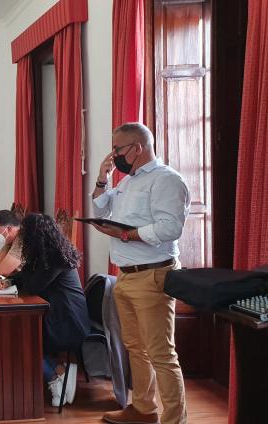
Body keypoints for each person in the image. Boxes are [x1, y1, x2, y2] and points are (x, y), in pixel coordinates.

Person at [90, 122, 190, 424]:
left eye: (117, 149)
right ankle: (144, 410)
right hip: (126, 276)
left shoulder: (166, 179)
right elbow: (100, 210)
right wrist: (102, 178)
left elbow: (170, 228)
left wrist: (125, 235)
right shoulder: (128, 182)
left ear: (137, 148)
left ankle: (175, 419)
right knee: (135, 348)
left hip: (153, 275)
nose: (114, 155)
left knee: (161, 353)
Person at [0, 213, 90, 408]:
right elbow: (24, 276)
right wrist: (10, 281)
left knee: (21, 341)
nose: (22, 240)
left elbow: (33, 286)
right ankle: (58, 371)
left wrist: (19, 273)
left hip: (68, 320)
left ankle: (56, 374)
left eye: (24, 236)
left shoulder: (56, 258)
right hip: (54, 314)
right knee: (16, 336)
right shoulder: (43, 254)